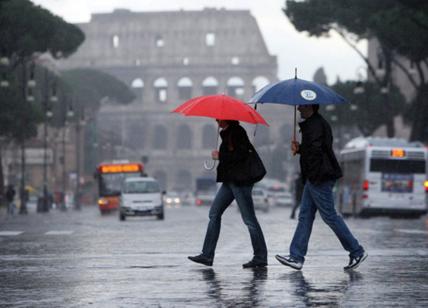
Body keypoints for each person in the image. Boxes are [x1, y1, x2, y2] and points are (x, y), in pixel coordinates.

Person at [275, 104, 367, 271]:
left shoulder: (315, 124)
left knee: (330, 216)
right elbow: (313, 149)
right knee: (305, 216)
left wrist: (313, 172)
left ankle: (356, 251)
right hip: (315, 176)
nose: (298, 109)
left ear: (310, 106)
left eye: (301, 106)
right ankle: (296, 257)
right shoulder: (314, 123)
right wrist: (300, 149)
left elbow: (316, 152)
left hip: (319, 177)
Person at [188, 119, 268, 268]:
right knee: (214, 214)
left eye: (219, 118)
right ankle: (207, 255)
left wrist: (220, 156)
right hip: (230, 181)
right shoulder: (227, 134)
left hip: (240, 182)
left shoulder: (237, 132)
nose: (217, 120)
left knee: (249, 220)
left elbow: (240, 155)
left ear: (227, 119)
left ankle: (261, 256)